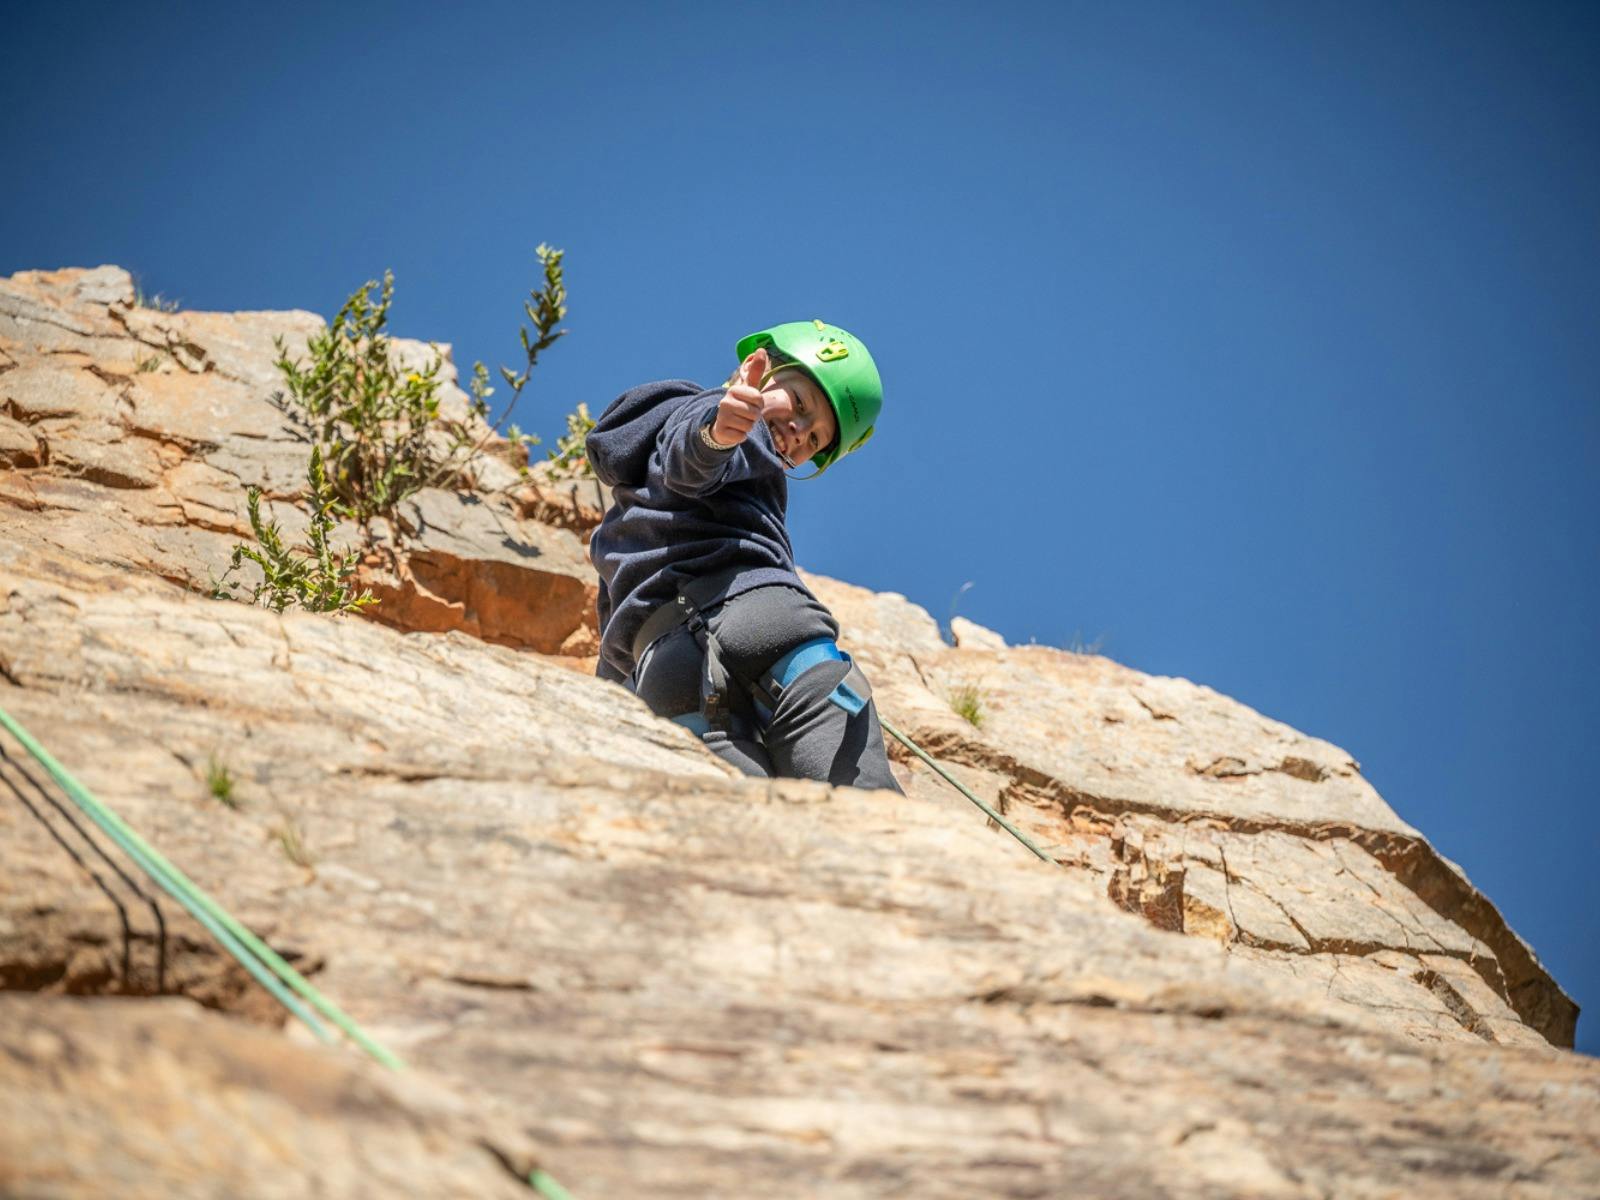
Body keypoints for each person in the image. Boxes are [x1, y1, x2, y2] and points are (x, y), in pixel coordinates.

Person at [585, 320, 903, 794]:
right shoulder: (722, 422)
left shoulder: (628, 516)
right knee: (868, 809)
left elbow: (617, 634)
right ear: (761, 368)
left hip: (667, 664)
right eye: (800, 403)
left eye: (814, 440)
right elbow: (694, 457)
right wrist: (719, 433)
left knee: (747, 830)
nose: (798, 433)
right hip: (770, 624)